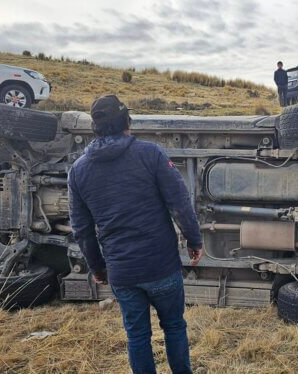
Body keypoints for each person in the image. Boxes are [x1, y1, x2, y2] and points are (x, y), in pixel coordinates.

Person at [68, 94, 203, 374]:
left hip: (123, 273)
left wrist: (98, 268)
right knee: (175, 326)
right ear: (127, 121)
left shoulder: (78, 171)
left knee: (137, 336)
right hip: (161, 265)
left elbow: (82, 229)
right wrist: (194, 241)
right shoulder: (149, 154)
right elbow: (179, 203)